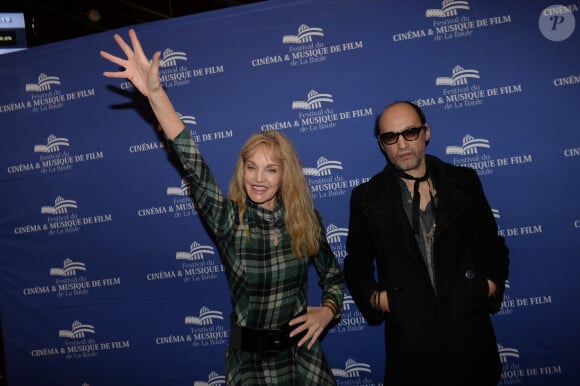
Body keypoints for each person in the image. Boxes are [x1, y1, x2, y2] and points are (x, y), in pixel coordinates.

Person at [100, 29, 344, 385]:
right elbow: (192, 162)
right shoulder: (229, 218)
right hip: (249, 365)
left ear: (284, 175)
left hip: (302, 360)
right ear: (241, 170)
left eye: (271, 169)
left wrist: (327, 311)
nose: (259, 178)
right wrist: (155, 94)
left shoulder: (304, 220)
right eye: (251, 167)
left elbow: (334, 277)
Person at [344, 101, 509, 386]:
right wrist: (380, 300)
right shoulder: (366, 198)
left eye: (410, 132)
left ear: (426, 133)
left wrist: (487, 286)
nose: (402, 144)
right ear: (382, 144)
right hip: (410, 348)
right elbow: (356, 266)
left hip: (470, 340)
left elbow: (493, 247)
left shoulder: (464, 182)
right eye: (390, 137)